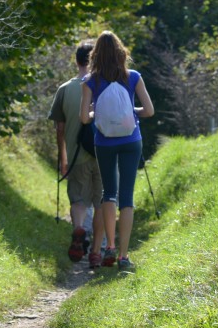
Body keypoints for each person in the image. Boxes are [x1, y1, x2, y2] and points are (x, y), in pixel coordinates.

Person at [80, 31, 154, 271]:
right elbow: (149, 111)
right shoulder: (133, 77)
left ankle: (109, 245)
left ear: (96, 55)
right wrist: (130, 111)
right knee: (127, 197)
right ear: (121, 53)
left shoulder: (91, 81)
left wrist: (95, 113)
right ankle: (124, 256)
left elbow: (84, 118)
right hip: (131, 140)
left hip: (104, 142)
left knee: (108, 193)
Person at [49, 40, 104, 262]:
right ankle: (96, 252)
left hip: (76, 155)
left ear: (76, 61)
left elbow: (59, 129)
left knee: (79, 200)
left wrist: (63, 157)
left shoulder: (64, 89)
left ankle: (80, 227)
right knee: (101, 202)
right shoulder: (105, 85)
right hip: (103, 153)